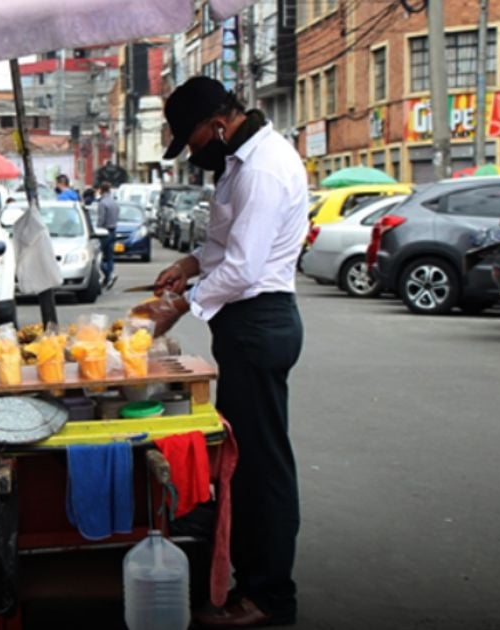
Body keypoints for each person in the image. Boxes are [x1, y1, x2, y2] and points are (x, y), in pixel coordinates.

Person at [137, 76, 307, 628]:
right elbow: (220, 248)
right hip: (245, 325)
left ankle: (269, 596)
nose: (194, 155)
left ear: (217, 125)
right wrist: (187, 267)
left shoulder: (260, 168)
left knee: (262, 469)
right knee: (244, 462)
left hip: (261, 323)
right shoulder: (239, 163)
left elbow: (243, 268)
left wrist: (180, 306)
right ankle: (249, 582)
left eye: (192, 142)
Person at [95, 182, 121, 289]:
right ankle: (109, 276)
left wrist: (97, 228)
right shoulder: (114, 202)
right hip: (113, 230)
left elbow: (101, 219)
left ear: (101, 190)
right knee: (109, 255)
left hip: (104, 231)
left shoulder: (102, 203)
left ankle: (108, 274)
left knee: (98, 256)